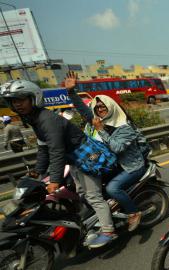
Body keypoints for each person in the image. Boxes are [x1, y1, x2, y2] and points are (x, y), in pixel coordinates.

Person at [0, 79, 116, 248]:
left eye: (21, 100)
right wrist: (37, 172)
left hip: (87, 158)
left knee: (93, 196)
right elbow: (43, 148)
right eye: (13, 101)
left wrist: (54, 180)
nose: (17, 105)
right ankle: (95, 219)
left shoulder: (47, 120)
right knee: (81, 193)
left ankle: (108, 231)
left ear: (34, 98)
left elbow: (56, 150)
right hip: (75, 161)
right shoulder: (35, 119)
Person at [64, 71, 146, 234]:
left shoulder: (124, 127)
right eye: (97, 106)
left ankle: (133, 212)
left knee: (112, 189)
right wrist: (71, 92)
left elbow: (116, 148)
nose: (100, 109)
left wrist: (101, 130)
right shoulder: (96, 121)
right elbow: (82, 109)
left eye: (103, 106)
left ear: (111, 107)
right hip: (109, 165)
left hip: (131, 167)